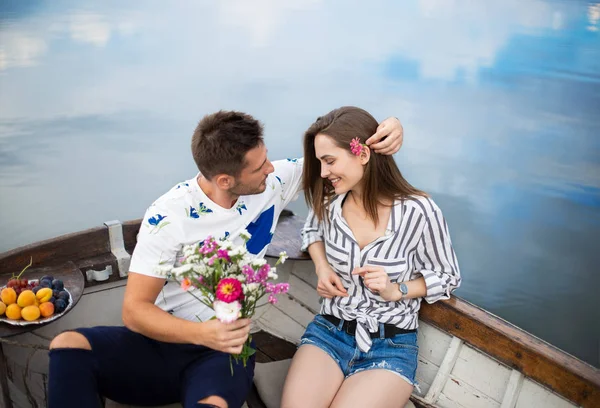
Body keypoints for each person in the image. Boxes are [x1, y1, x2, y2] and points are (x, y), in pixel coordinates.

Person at [46, 110, 404, 408]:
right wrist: (203, 333)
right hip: (161, 348)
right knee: (67, 346)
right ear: (224, 179)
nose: (271, 170)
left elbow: (339, 148)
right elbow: (135, 311)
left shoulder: (273, 181)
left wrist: (389, 130)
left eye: (267, 159)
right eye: (259, 167)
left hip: (224, 354)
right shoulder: (168, 217)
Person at [281, 106, 461, 408]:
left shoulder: (419, 211)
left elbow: (448, 276)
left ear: (362, 154)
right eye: (320, 163)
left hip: (390, 346)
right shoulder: (330, 199)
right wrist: (323, 268)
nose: (323, 173)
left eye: (329, 161)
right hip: (329, 331)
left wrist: (398, 289)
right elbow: (311, 231)